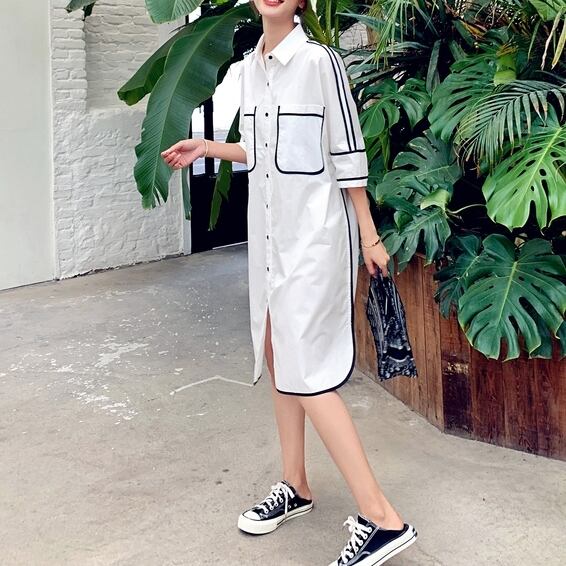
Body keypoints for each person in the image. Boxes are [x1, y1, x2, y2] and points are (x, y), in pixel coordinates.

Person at [161, 1, 418, 564]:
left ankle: (383, 519)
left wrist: (370, 237)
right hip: (271, 242)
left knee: (307, 373)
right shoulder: (251, 69)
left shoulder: (320, 62)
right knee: (277, 352)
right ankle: (296, 485)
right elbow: (261, 151)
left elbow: (348, 156)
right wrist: (207, 147)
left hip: (316, 243)